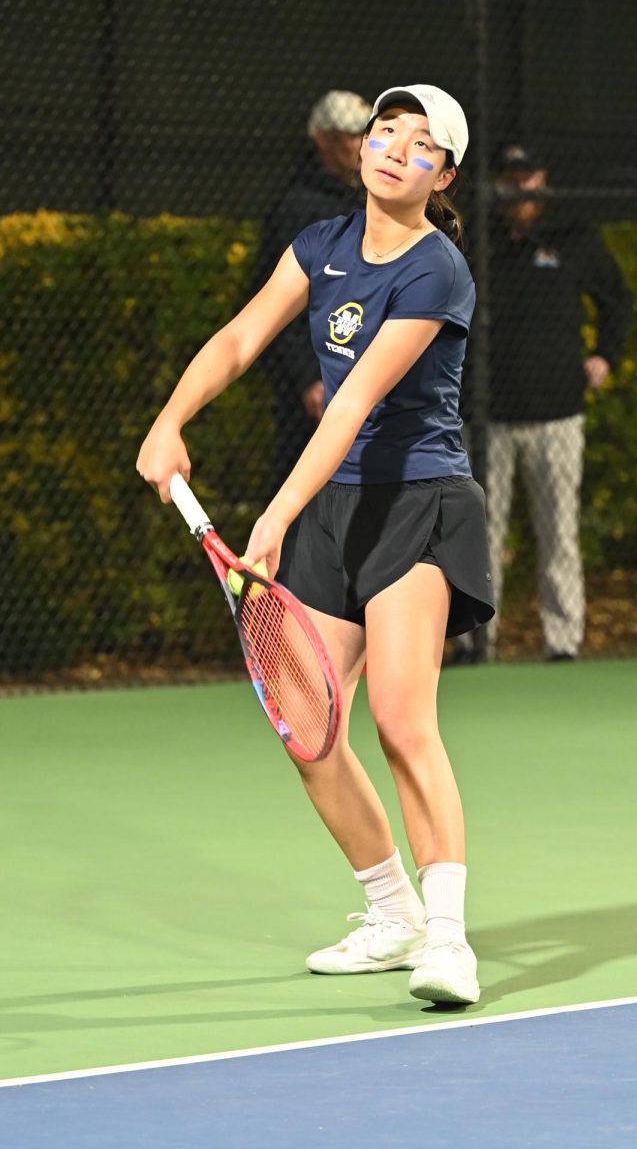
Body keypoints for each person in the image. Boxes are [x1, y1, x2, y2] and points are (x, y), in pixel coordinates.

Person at [137, 84, 493, 1007]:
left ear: (442, 175)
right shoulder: (321, 247)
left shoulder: (437, 270)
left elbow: (357, 400)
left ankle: (448, 942)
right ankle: (392, 913)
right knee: (309, 730)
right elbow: (242, 337)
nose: (394, 150)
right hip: (334, 506)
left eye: (421, 146)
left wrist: (277, 512)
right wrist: (171, 420)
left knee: (405, 720)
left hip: (417, 504)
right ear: (362, 145)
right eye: (385, 133)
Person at [471, 143, 632, 662]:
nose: (520, 187)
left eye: (528, 176)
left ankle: (563, 644)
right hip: (488, 418)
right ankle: (476, 641)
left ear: (543, 179)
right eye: (510, 177)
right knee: (480, 536)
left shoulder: (572, 235)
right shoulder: (477, 240)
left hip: (558, 414)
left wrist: (606, 355)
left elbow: (617, 299)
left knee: (559, 532)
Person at [255, 90, 372, 495]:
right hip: (313, 390)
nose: (360, 147)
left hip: (364, 375)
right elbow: (276, 305)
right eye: (349, 136)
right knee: (301, 496)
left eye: (365, 135)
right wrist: (309, 378)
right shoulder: (297, 208)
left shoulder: (370, 200)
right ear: (322, 139)